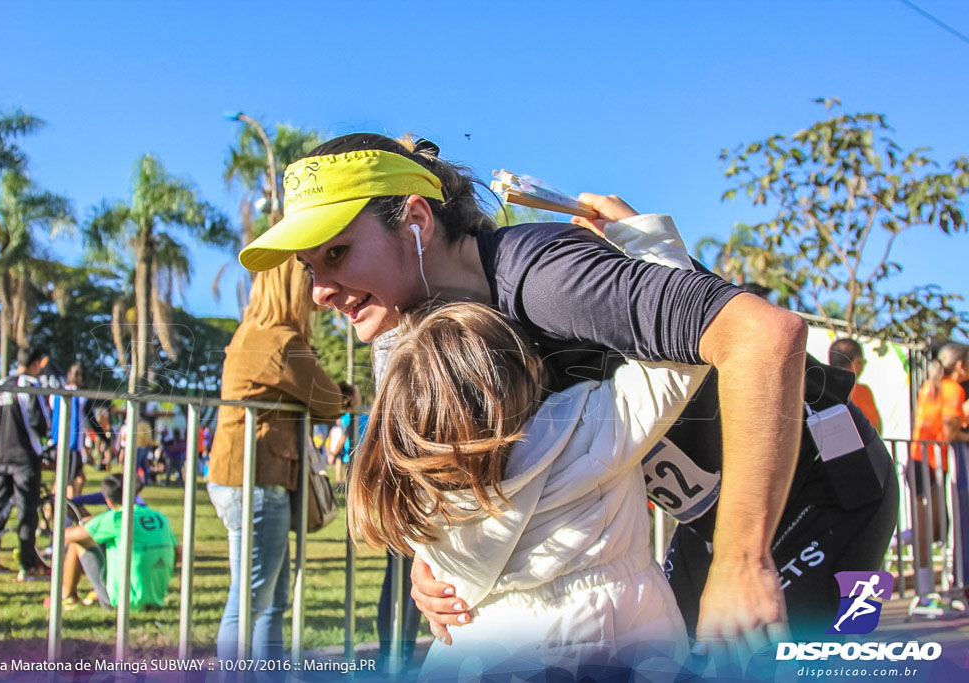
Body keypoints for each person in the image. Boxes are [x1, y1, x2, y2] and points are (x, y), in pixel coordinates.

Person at [237, 133, 896, 648]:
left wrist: (744, 561)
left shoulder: (546, 278)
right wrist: (432, 566)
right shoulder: (408, 330)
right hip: (706, 513)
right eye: (307, 267)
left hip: (821, 486)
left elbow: (765, 335)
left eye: (336, 254)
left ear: (415, 218)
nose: (319, 292)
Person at [352, 303, 696, 679]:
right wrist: (641, 241)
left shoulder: (420, 493)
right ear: (531, 364)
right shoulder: (591, 428)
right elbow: (681, 343)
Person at [207, 257, 358, 669]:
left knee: (270, 600)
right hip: (257, 482)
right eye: (309, 277)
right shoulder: (280, 342)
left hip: (245, 478)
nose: (317, 289)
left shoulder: (252, 333)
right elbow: (326, 401)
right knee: (251, 601)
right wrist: (350, 397)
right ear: (292, 287)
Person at [49, 474, 178, 610]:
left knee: (77, 542)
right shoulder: (159, 517)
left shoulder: (115, 519)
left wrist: (89, 524)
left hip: (121, 602)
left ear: (108, 502)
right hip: (156, 597)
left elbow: (65, 536)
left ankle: (67, 597)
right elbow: (177, 552)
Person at [909, 342, 969, 595]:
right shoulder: (953, 389)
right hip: (932, 464)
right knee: (935, 527)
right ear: (960, 366)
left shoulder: (930, 385)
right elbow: (950, 432)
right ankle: (928, 593)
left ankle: (926, 592)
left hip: (922, 460)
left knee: (931, 526)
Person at [0, 346, 52, 581]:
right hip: (25, 457)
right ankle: (27, 566)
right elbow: (41, 422)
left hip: (0, 455)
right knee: (27, 512)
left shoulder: (1, 384)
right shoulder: (31, 386)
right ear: (37, 363)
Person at [52, 361, 90, 498]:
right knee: (65, 483)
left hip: (64, 443)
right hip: (71, 444)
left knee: (79, 478)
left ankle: (74, 510)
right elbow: (91, 418)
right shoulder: (81, 397)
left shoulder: (56, 394)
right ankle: (60, 514)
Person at [829, 338, 882, 433]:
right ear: (858, 362)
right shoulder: (861, 391)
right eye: (863, 362)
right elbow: (875, 428)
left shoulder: (819, 387)